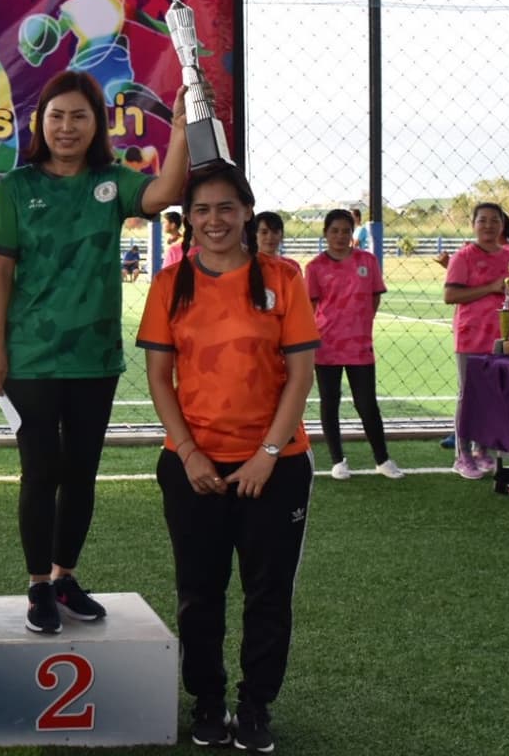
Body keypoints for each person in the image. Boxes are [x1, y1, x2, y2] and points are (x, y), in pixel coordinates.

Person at [0, 71, 188, 634]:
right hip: (30, 358)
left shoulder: (111, 182)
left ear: (97, 125)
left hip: (95, 359)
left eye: (78, 116)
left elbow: (165, 193)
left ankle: (64, 577)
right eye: (56, 116)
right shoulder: (17, 187)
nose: (66, 127)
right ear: (40, 123)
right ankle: (37, 586)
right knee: (40, 471)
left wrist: (181, 126)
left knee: (81, 473)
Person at [136, 165, 318, 753]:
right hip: (194, 469)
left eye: (225, 208)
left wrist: (267, 455)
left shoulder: (283, 277)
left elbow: (300, 375)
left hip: (275, 467)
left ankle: (256, 704)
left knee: (268, 593)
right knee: (199, 591)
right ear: (188, 218)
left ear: (246, 212)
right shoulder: (171, 283)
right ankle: (208, 701)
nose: (213, 220)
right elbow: (159, 377)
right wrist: (189, 453)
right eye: (201, 210)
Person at [305, 209, 403, 481]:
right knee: (330, 402)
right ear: (325, 233)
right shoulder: (315, 267)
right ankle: (338, 460)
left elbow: (374, 298)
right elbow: (310, 307)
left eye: (345, 231)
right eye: (334, 231)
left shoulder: (367, 261)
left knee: (367, 404)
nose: (340, 236)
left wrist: (360, 324)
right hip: (326, 345)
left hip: (359, 346)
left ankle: (382, 459)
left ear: (353, 233)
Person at [444, 202, 509, 479]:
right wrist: (490, 288)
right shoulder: (463, 256)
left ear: (502, 224)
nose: (488, 226)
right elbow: (450, 295)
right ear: (474, 225)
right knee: (469, 395)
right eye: (483, 220)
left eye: (494, 220)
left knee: (494, 396)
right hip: (471, 336)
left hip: (502, 337)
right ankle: (462, 454)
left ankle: (482, 449)